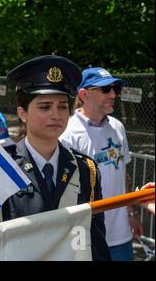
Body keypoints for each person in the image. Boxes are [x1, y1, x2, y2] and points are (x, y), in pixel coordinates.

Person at [1, 55, 110, 261]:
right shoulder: (2, 167)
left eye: (62, 106)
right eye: (44, 107)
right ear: (22, 113)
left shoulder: (86, 169)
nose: (56, 115)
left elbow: (95, 239)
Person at [60, 67, 143, 261]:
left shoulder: (117, 126)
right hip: (86, 235)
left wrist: (131, 213)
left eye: (114, 88)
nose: (113, 94)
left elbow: (123, 174)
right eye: (106, 89)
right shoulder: (67, 133)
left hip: (121, 234)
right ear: (84, 94)